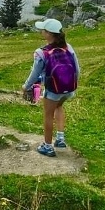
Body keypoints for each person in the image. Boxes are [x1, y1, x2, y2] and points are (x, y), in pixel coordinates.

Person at [22, 18, 80, 156]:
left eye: (43, 30)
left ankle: (47, 146)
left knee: (48, 115)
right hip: (68, 89)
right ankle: (60, 139)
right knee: (59, 107)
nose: (41, 31)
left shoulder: (41, 52)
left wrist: (26, 86)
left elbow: (34, 74)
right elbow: (77, 69)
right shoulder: (68, 47)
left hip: (53, 90)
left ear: (49, 34)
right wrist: (71, 84)